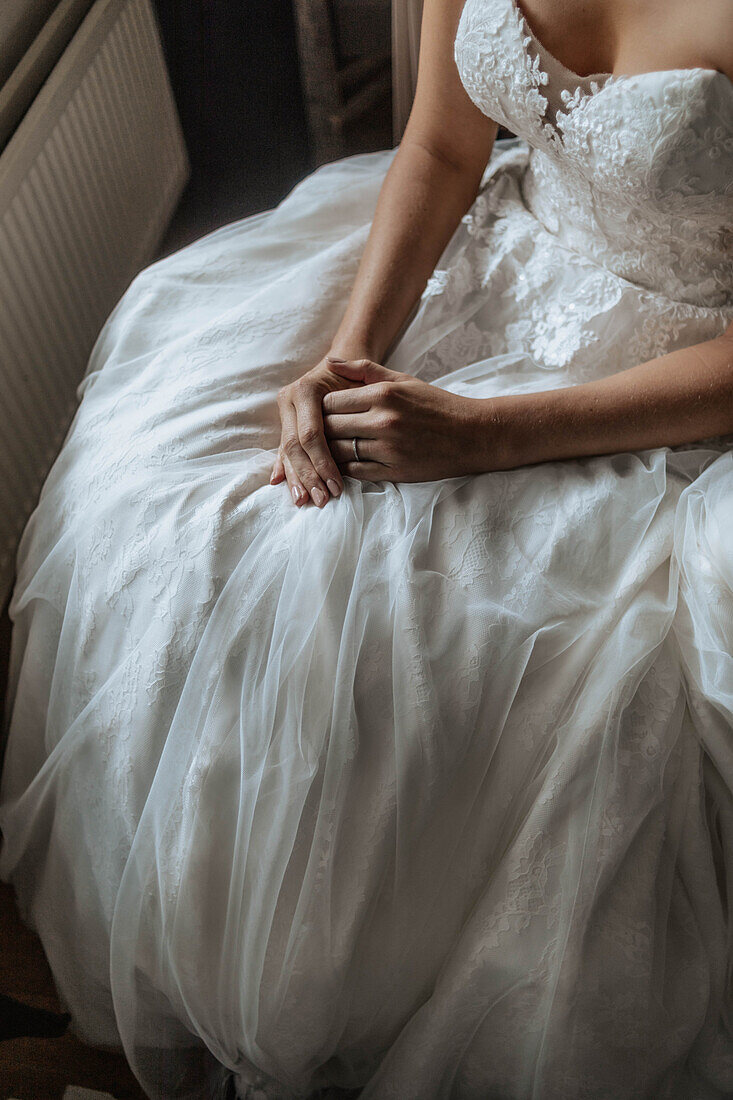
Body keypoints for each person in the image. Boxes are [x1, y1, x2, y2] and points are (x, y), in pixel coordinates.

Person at [1, 0, 732, 1096]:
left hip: (664, 376)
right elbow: (442, 146)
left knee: (442, 654)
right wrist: (345, 361)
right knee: (179, 536)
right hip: (495, 262)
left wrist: (477, 435)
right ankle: (243, 961)